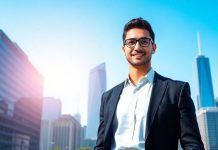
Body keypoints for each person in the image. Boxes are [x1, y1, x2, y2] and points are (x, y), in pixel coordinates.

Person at [95, 17, 204, 150]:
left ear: (154, 47)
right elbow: (100, 146)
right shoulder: (107, 97)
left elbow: (192, 144)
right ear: (123, 49)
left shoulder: (177, 91)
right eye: (131, 42)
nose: (137, 47)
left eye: (144, 41)